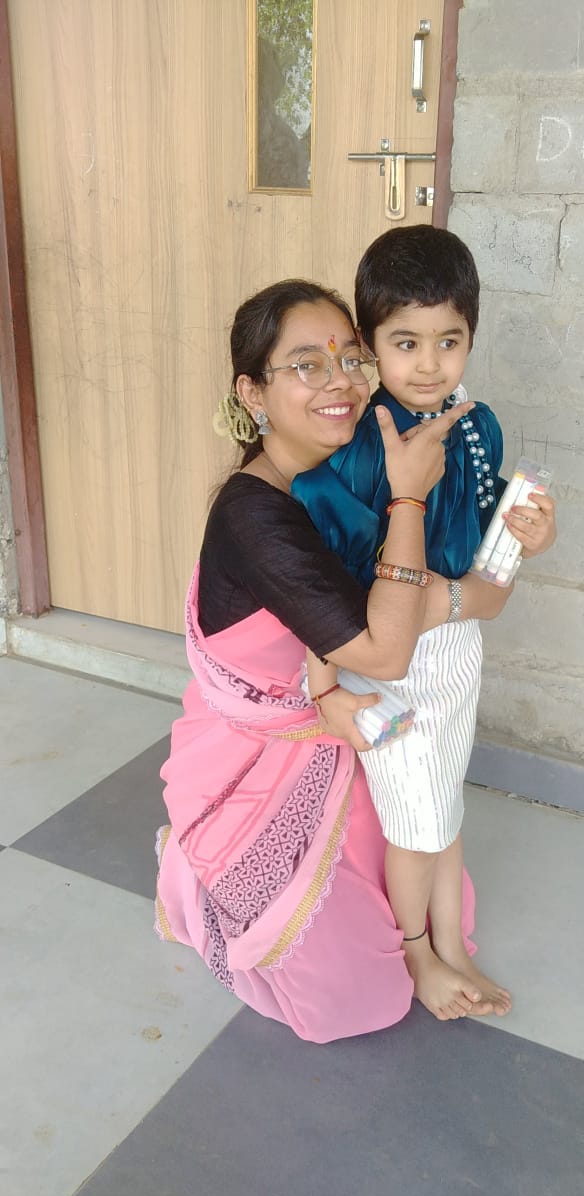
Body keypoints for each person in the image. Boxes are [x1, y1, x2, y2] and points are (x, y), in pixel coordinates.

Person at [155, 278, 501, 1044]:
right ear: (253, 392)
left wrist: (510, 548)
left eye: (350, 358)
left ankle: (427, 945)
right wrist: (409, 501)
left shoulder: (350, 469)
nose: (340, 381)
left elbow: (470, 589)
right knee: (362, 997)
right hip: (268, 755)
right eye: (307, 365)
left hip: (348, 717)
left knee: (427, 830)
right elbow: (387, 647)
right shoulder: (258, 516)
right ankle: (201, 880)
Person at [292, 226, 557, 1023]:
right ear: (370, 345)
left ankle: (452, 943)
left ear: (471, 335)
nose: (430, 364)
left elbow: (486, 519)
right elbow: (315, 573)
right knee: (414, 822)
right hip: (387, 659)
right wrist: (324, 685)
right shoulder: (357, 449)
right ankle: (416, 953)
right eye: (405, 343)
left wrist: (529, 531)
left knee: (443, 801)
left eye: (450, 340)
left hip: (455, 647)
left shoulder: (478, 425)